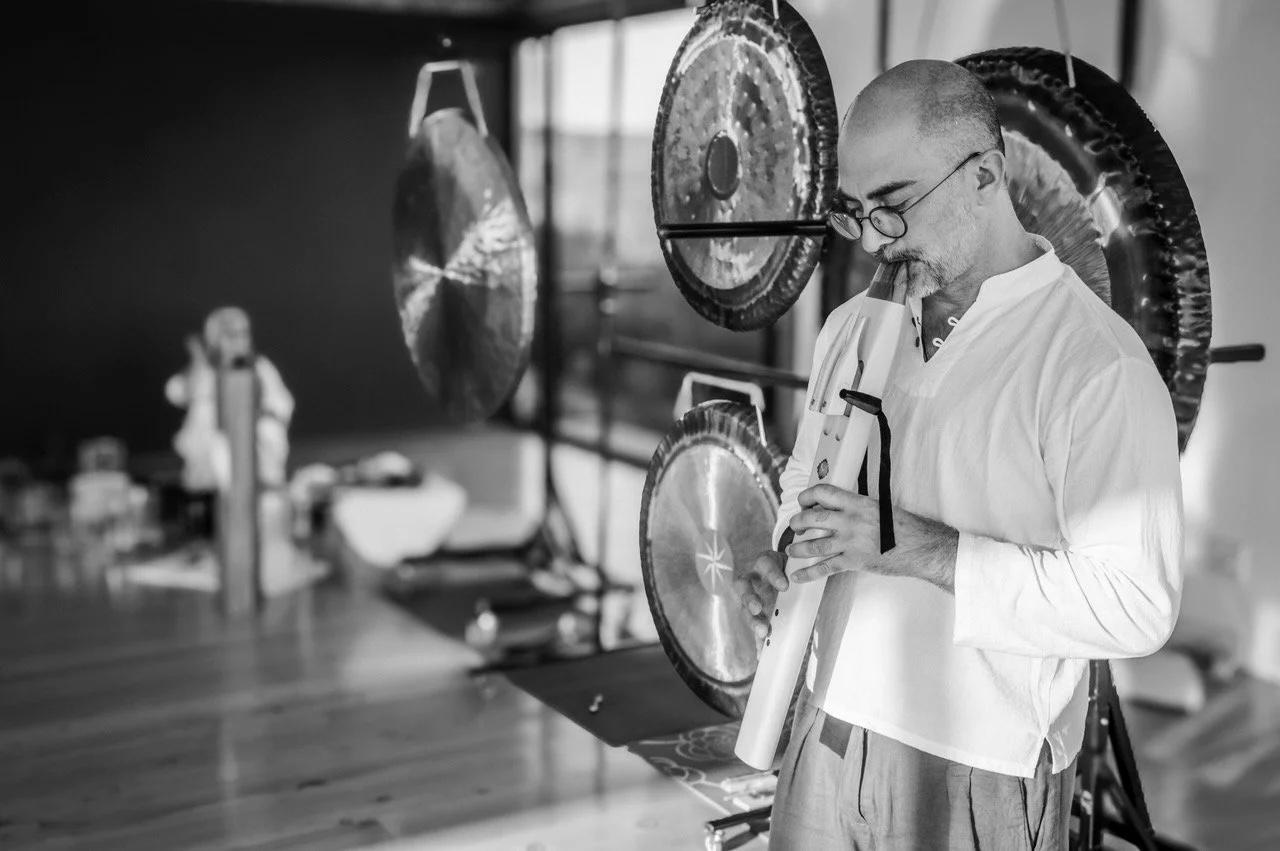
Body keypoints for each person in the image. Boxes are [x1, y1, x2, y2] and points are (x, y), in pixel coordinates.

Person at [733, 59, 1183, 850]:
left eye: (893, 205)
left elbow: (1137, 603)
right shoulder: (850, 327)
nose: (873, 239)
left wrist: (918, 548)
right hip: (824, 719)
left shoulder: (1095, 362)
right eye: (854, 212)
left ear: (985, 175)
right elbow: (809, 478)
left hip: (976, 761)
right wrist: (785, 550)